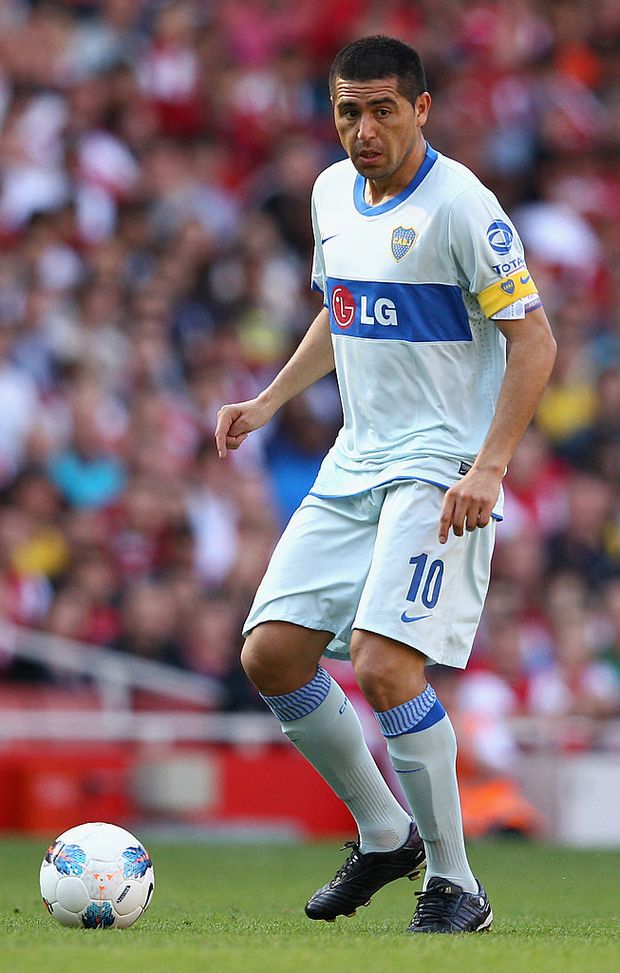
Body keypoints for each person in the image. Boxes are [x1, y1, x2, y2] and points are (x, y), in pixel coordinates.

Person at [215, 35, 556, 934]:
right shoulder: (331, 192)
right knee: (271, 654)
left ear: (421, 109)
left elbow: (536, 342)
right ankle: (382, 834)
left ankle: (458, 884)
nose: (362, 129)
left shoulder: (463, 207)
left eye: (381, 109)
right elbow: (343, 310)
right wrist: (268, 398)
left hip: (440, 468)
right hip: (356, 458)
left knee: (384, 663)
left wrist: (489, 465)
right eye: (346, 110)